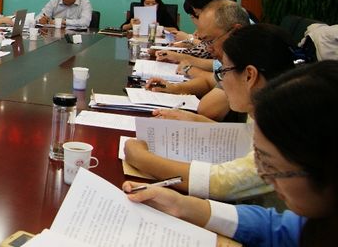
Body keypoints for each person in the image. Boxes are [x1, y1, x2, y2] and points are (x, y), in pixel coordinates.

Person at [124, 61, 338, 246]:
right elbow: (278, 227)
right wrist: (182, 205)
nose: (264, 176)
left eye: (271, 166)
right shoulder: (317, 215)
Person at [125, 24, 296, 202]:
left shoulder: (283, 129)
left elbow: (221, 183)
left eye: (223, 72)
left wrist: (141, 158)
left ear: (249, 75)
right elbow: (247, 139)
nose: (221, 82)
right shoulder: (274, 104)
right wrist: (195, 120)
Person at [148, 0, 250, 121]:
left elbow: (208, 109)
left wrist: (191, 119)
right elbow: (209, 81)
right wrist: (174, 88)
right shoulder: (230, 62)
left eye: (210, 41)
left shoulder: (248, 63)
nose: (207, 49)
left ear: (235, 32)